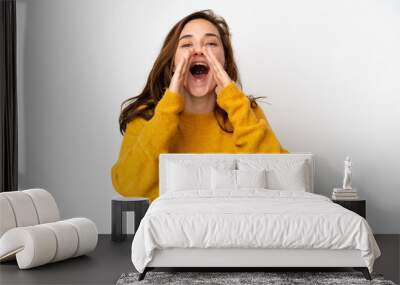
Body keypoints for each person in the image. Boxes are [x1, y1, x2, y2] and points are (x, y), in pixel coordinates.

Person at [111, 9, 289, 202]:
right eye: (187, 44)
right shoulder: (146, 116)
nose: (198, 51)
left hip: (236, 226)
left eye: (211, 43)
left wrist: (234, 100)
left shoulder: (246, 112)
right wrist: (169, 104)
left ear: (225, 61)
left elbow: (281, 179)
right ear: (172, 63)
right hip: (171, 229)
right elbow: (129, 186)